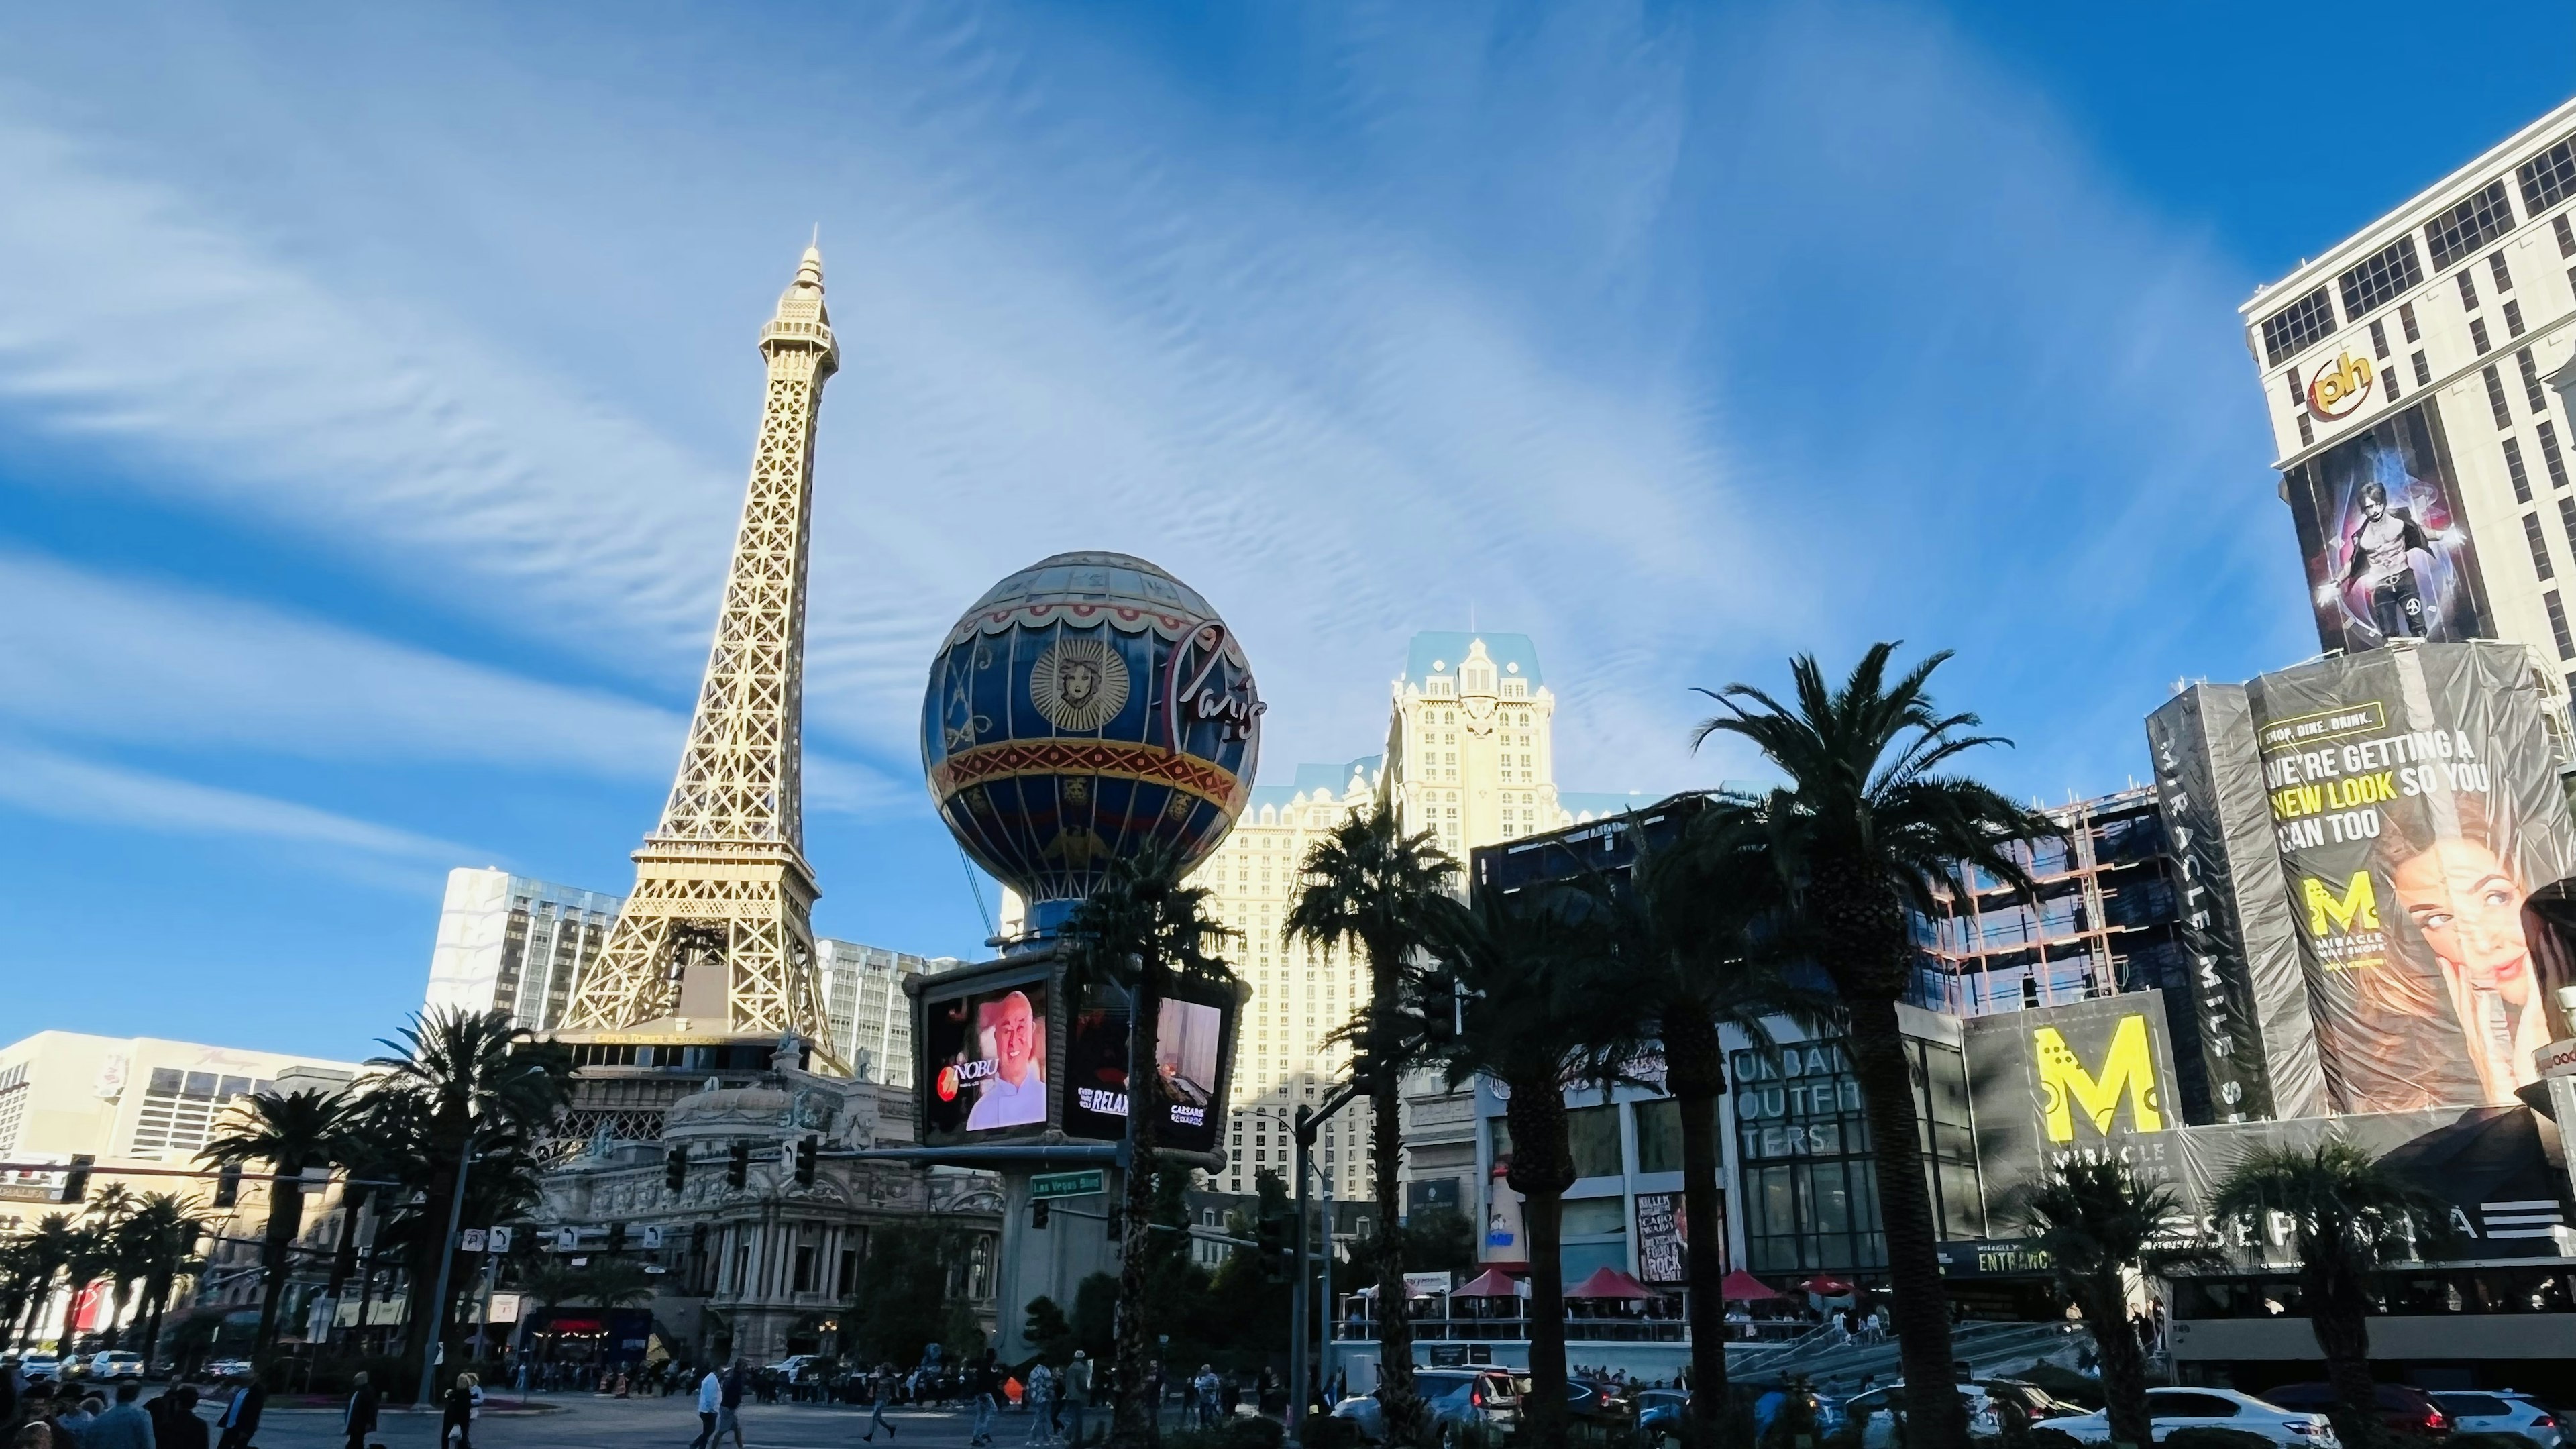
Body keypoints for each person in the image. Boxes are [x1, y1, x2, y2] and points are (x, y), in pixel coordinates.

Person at [2322, 476, 2440, 641]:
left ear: (2383, 503)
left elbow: (2423, 533)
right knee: (2391, 636)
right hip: (2381, 586)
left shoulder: (2399, 521)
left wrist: (2445, 535)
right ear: (2364, 510)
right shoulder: (2362, 537)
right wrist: (2335, 583)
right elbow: (2352, 563)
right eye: (2370, 507)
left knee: (2419, 629)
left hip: (2404, 578)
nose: (2375, 510)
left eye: (2378, 504)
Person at [965, 991, 1046, 1130]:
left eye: (1021, 1028)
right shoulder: (980, 1113)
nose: (1013, 1042)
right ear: (996, 1036)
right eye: (1007, 1030)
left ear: (1032, 1030)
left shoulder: (1048, 1100)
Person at [77, 1383, 152, 1449]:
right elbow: (147, 1442)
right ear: (135, 1396)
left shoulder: (100, 1420)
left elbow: (88, 1443)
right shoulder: (141, 1416)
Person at [211, 1377, 262, 1449]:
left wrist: (246, 1430)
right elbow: (234, 1406)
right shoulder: (240, 1389)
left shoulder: (256, 1392)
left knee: (238, 1446)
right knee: (223, 1446)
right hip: (231, 1425)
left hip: (242, 1427)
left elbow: (254, 1413)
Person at [969, 1350, 1002, 1446]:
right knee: (985, 1415)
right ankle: (979, 1436)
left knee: (985, 1414)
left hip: (983, 1393)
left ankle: (982, 1434)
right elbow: (990, 1380)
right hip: (985, 1393)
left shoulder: (984, 1366)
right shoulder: (989, 1367)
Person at [344, 1371, 379, 1449]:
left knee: (356, 1441)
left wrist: (369, 1422)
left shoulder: (367, 1391)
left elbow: (371, 1408)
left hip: (360, 1423)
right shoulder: (360, 1391)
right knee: (356, 1441)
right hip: (356, 1422)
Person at [690, 1364, 722, 1449]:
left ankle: (701, 1446)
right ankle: (695, 1444)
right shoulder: (712, 1380)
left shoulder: (710, 1378)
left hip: (706, 1409)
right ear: (716, 1371)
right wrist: (713, 1409)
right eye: (721, 1371)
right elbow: (711, 1396)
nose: (721, 1373)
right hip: (709, 1410)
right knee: (710, 1430)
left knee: (707, 1430)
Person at [1062, 1351, 1090, 1446]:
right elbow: (1081, 1384)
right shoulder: (1081, 1369)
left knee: (1072, 1417)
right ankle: (1077, 1439)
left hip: (1070, 1396)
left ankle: (1069, 1437)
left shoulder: (1070, 1368)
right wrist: (1087, 1391)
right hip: (1078, 1396)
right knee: (1078, 1419)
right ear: (1082, 1358)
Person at [441, 1373, 476, 1449]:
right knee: (464, 1434)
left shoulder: (453, 1394)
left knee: (445, 1435)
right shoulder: (467, 1395)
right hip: (463, 1417)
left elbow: (447, 1402)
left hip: (450, 1416)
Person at [718, 1362, 749, 1449]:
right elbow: (733, 1392)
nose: (746, 1369)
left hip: (728, 1406)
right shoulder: (736, 1378)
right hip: (728, 1407)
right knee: (721, 1431)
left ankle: (740, 1446)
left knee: (736, 1428)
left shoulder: (734, 1376)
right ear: (740, 1368)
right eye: (744, 1366)